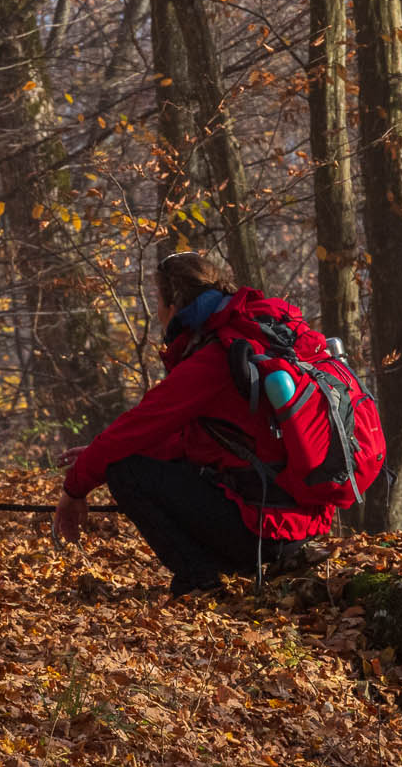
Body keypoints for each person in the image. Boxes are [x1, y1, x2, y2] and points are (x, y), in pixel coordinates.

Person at [53, 251, 332, 595]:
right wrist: (99, 450)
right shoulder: (251, 339)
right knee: (126, 459)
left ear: (173, 306)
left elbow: (138, 425)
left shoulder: (214, 358)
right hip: (296, 526)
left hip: (264, 531)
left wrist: (74, 489)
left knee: (124, 471)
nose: (156, 312)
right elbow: (194, 439)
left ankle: (198, 579)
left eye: (157, 301)